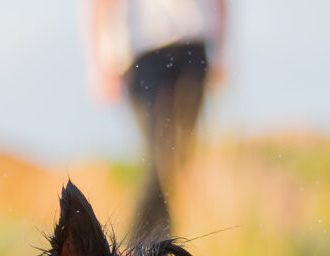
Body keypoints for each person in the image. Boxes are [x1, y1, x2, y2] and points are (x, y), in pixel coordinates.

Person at [87, 0, 227, 242]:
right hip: (144, 54)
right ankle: (137, 249)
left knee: (178, 157)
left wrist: (220, 52)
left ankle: (159, 250)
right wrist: (102, 64)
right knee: (158, 156)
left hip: (193, 50)